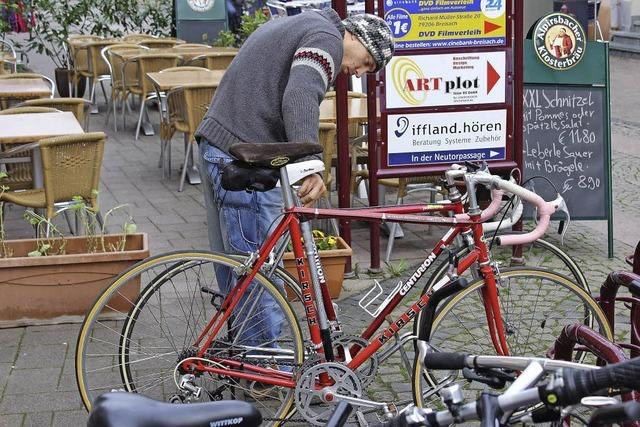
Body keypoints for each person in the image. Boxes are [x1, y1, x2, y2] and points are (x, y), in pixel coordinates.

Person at [195, 11, 393, 352]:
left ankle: (245, 363)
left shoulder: (305, 24)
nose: (359, 72)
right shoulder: (327, 40)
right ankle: (270, 372)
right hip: (245, 154)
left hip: (220, 143)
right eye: (367, 63)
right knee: (260, 278)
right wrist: (308, 166)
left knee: (239, 274)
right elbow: (300, 94)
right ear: (357, 38)